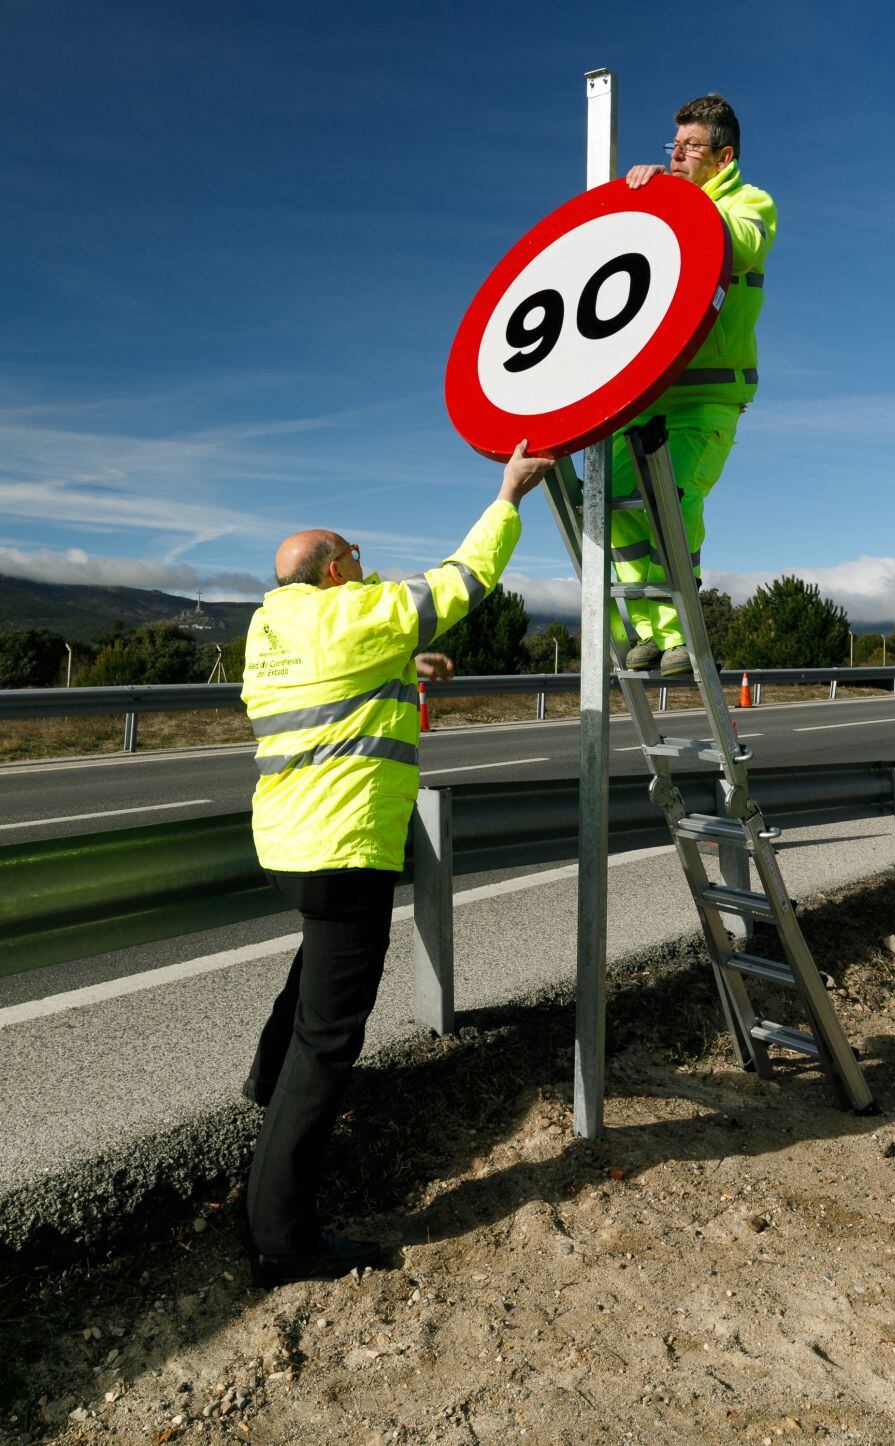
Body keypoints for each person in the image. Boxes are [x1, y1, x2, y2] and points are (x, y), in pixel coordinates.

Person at [240, 439, 554, 1287]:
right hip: (345, 848)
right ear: (333, 570)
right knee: (330, 1040)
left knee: (313, 979)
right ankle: (282, 1238)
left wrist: (404, 665)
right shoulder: (354, 611)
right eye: (357, 556)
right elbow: (458, 581)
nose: (367, 566)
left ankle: (263, 1096)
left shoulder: (271, 628)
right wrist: (510, 495)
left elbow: (333, 684)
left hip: (288, 843)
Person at [614, 93, 777, 675]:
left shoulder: (750, 202)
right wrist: (650, 197)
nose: (677, 156)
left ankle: (680, 630)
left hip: (708, 396)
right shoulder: (668, 199)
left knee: (672, 500)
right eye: (673, 146)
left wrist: (673, 197)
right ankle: (648, 630)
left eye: (690, 147)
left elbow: (736, 242)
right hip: (640, 393)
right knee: (611, 505)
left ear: (724, 156)